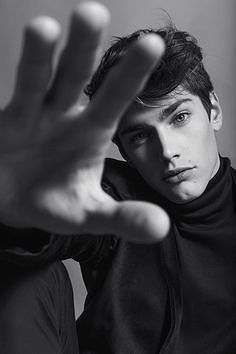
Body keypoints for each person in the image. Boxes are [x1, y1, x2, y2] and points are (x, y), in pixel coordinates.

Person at [0, 1, 235, 354]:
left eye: (180, 117)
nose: (167, 151)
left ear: (213, 111)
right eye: (140, 136)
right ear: (123, 149)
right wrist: (19, 216)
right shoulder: (113, 196)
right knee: (19, 268)